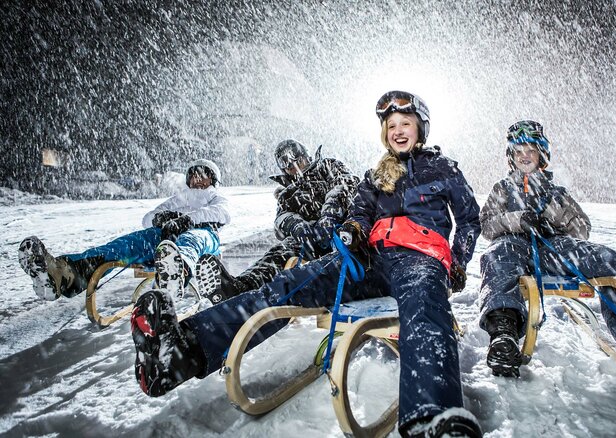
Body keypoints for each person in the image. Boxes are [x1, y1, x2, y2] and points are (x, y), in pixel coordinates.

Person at [129, 91, 483, 437]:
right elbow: (359, 212)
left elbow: (469, 219)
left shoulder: (443, 167)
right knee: (290, 284)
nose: (398, 130)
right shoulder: (376, 175)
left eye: (405, 122)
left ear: (420, 128)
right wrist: (352, 231)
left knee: (423, 308)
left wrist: (458, 261)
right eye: (391, 125)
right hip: (370, 260)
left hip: (421, 258)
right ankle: (181, 352)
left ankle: (432, 416)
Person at [477, 120, 616, 387]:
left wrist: (552, 215)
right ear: (511, 157)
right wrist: (518, 220)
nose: (525, 156)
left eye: (531, 151)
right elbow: (487, 225)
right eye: (519, 151)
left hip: (553, 248)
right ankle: (504, 335)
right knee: (497, 256)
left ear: (541, 155)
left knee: (605, 257)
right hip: (514, 247)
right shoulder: (502, 189)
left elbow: (582, 229)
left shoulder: (555, 192)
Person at [18, 159, 230, 301]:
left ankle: (176, 273)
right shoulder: (178, 199)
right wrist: (161, 218)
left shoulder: (215, 197)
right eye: (194, 176)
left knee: (191, 240)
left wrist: (187, 220)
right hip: (166, 237)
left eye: (203, 176)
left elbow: (222, 213)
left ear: (212, 180)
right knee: (126, 244)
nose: (198, 180)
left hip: (204, 236)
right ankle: (65, 274)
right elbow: (147, 219)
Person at [197, 139, 359, 304]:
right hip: (310, 241)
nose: (296, 168)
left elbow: (347, 184)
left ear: (307, 157)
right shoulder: (287, 195)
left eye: (299, 161)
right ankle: (239, 287)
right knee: (280, 252)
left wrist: (330, 214)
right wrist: (295, 224)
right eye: (289, 166)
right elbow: (280, 221)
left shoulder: (326, 166)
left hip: (342, 232)